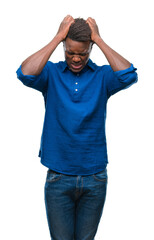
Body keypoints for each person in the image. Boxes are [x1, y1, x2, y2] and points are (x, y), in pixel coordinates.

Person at [16, 15, 138, 240]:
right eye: (70, 51)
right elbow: (25, 73)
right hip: (59, 177)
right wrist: (57, 37)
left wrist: (99, 39)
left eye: (82, 53)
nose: (75, 58)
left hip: (95, 178)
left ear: (90, 49)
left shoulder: (102, 77)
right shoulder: (51, 74)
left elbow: (128, 76)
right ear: (64, 46)